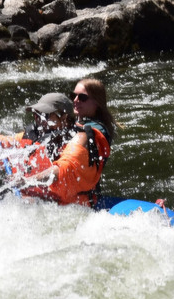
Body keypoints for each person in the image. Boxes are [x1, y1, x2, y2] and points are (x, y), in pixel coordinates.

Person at [19, 77, 116, 207]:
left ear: (97, 102)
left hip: (76, 198)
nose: (75, 100)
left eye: (82, 97)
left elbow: (64, 169)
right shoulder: (70, 126)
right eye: (73, 96)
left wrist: (26, 181)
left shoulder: (92, 132)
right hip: (57, 191)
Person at [0, 92, 77, 193]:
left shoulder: (76, 142)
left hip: (54, 201)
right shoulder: (31, 136)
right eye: (36, 113)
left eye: (44, 114)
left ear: (64, 117)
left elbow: (62, 171)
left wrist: (26, 182)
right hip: (26, 194)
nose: (38, 119)